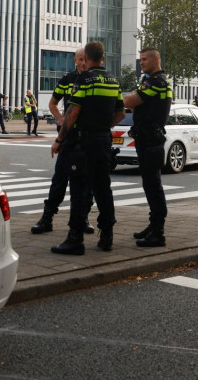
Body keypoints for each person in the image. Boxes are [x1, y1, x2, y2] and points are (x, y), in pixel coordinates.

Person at [50, 41, 124, 255]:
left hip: (83, 143)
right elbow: (120, 113)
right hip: (103, 142)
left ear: (88, 58)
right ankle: (107, 236)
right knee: (103, 189)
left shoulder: (84, 80)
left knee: (79, 190)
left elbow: (72, 113)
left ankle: (75, 239)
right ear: (103, 58)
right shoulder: (113, 81)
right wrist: (104, 126)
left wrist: (60, 140)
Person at [31, 48, 94, 235]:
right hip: (68, 138)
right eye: (80, 59)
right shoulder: (67, 80)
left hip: (87, 137)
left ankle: (84, 218)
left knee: (87, 183)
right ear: (75, 60)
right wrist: (61, 119)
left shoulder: (93, 80)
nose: (83, 63)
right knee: (59, 179)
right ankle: (47, 217)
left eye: (86, 59)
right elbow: (52, 103)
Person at [123, 48, 173, 247]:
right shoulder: (150, 81)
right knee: (150, 184)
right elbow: (134, 102)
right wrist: (137, 100)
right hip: (147, 138)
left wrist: (135, 99)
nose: (141, 63)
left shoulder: (156, 82)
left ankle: (158, 233)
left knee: (153, 186)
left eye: (145, 59)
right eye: (140, 59)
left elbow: (128, 101)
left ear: (156, 59)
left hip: (151, 140)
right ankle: (153, 225)